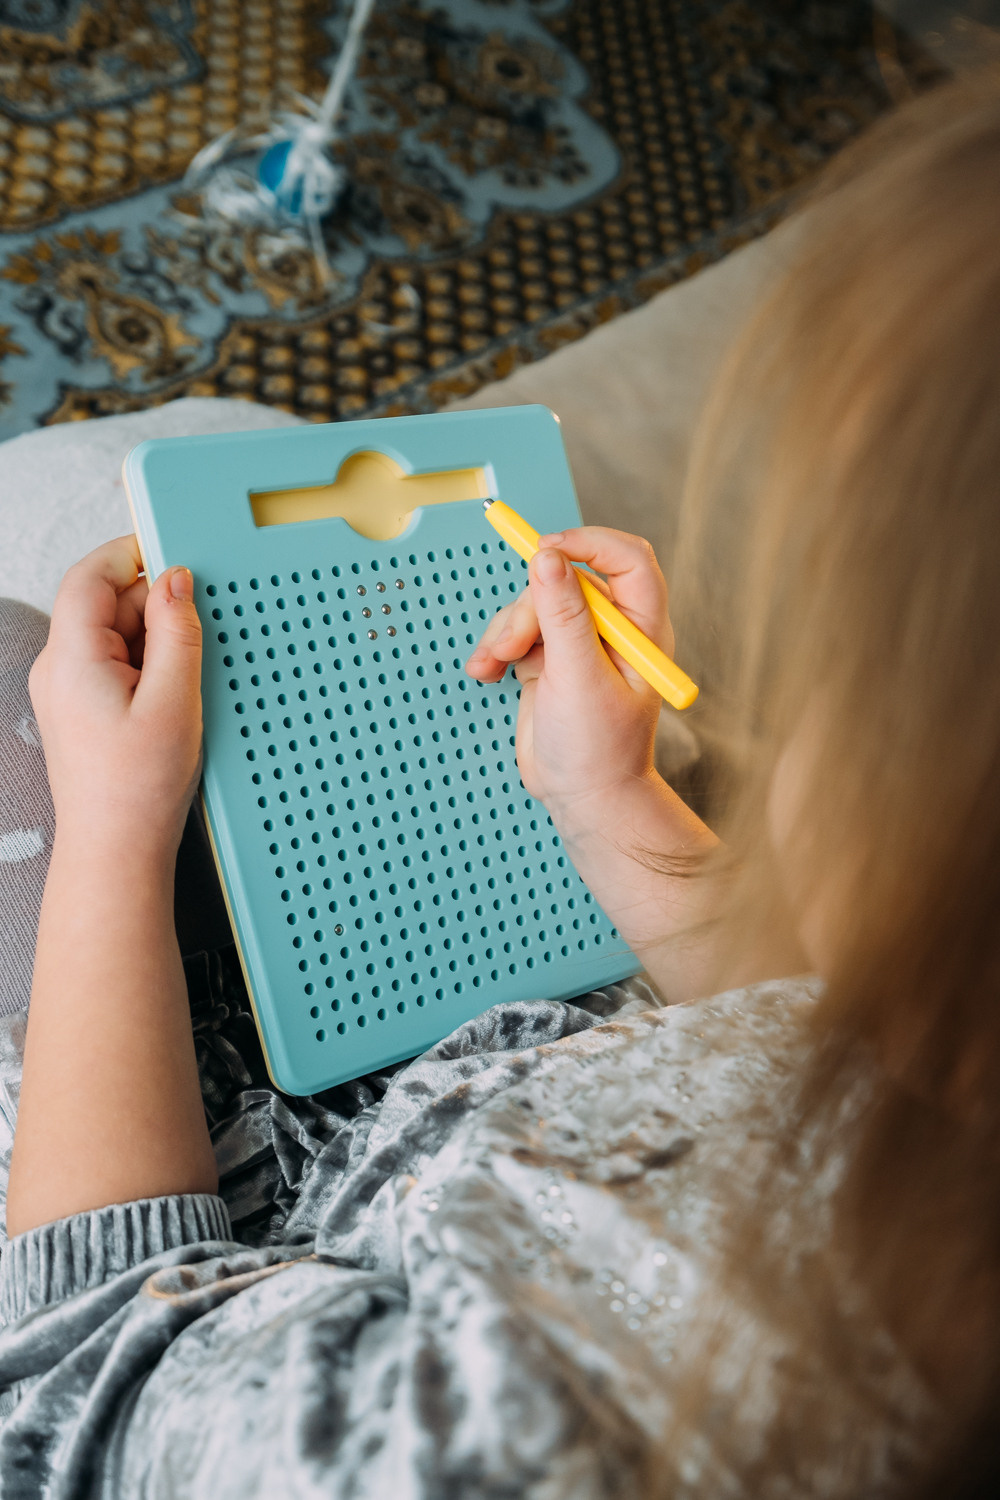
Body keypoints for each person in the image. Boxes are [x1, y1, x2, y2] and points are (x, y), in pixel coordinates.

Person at [0, 70, 997, 1498]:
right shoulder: (946, 1091)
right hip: (515, 1046)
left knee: (26, 645)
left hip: (207, 1241)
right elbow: (829, 1030)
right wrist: (612, 804)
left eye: (837, 644)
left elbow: (93, 1377)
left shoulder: (523, 1439)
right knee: (224, 491)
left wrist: (106, 840)